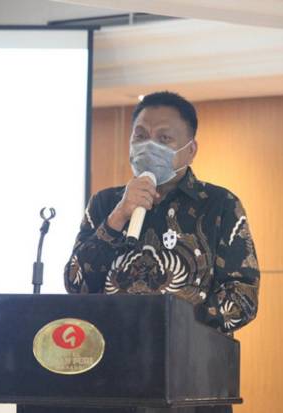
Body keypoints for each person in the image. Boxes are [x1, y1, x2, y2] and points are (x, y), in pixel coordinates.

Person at [64, 91, 260, 336]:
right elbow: (76, 284)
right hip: (112, 348)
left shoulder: (220, 205)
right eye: (140, 136)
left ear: (191, 150)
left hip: (188, 352)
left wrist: (171, 322)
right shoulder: (104, 203)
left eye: (164, 138)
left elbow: (243, 297)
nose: (149, 146)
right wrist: (118, 216)